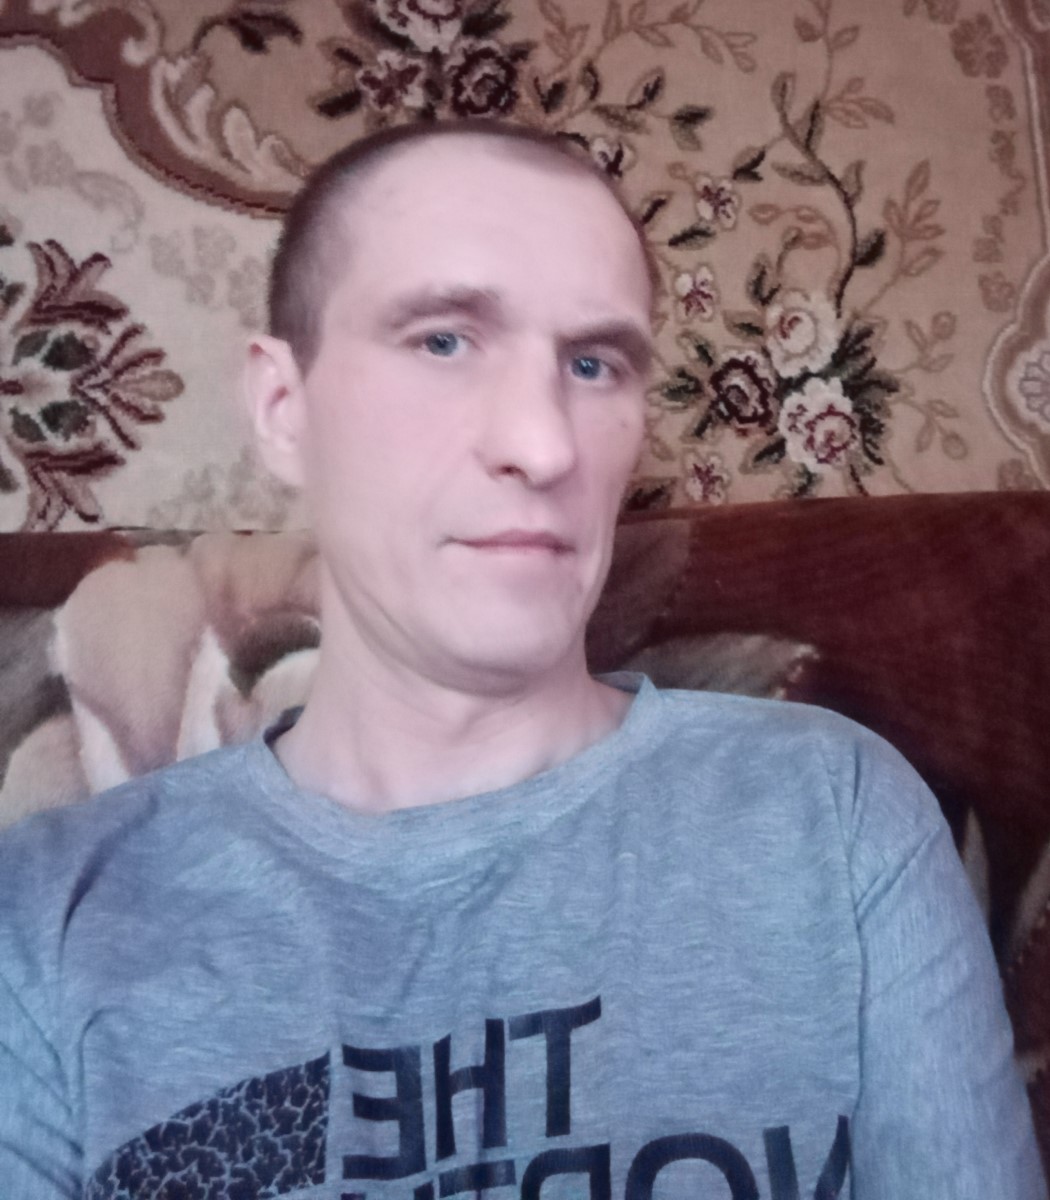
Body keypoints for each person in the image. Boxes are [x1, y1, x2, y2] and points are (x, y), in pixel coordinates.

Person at [0, 120, 1044, 1200]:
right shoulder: (47, 921)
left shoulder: (831, 810)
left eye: (594, 365)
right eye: (443, 342)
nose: (544, 446)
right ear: (283, 409)